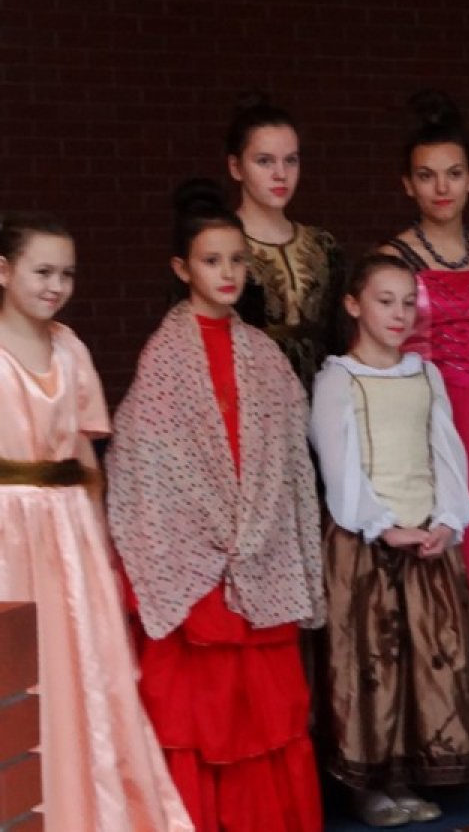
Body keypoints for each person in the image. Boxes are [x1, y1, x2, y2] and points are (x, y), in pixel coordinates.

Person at [106, 179, 325, 832]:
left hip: (260, 557)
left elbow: (289, 465)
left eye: (236, 260)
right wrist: (207, 535)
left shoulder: (265, 356)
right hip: (194, 568)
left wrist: (261, 534)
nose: (227, 273)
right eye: (211, 261)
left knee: (268, 712)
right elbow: (144, 469)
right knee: (200, 714)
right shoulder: (162, 359)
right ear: (182, 269)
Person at [0, 212, 192, 832]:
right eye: (42, 271)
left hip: (68, 531)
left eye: (67, 274)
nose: (56, 286)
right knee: (19, 667)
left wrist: (98, 539)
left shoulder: (71, 347)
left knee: (79, 667)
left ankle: (88, 810)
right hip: (6, 533)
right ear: (3, 271)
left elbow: (85, 455)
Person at [309, 254, 469, 826]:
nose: (399, 314)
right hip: (367, 544)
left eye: (408, 303)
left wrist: (447, 519)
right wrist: (383, 524)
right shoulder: (339, 379)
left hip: (425, 540)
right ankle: (371, 786)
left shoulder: (424, 374)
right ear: (353, 305)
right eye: (385, 301)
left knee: (425, 663)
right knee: (374, 666)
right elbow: (340, 465)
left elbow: (445, 451)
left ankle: (408, 774)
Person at [379, 90, 469, 622]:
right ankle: (437, 665)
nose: (442, 188)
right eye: (427, 176)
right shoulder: (391, 259)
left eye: (454, 174)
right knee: (429, 541)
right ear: (407, 184)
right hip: (423, 416)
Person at [226, 92, 344, 391]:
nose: (281, 174)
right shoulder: (219, 247)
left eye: (291, 160)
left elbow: (340, 334)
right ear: (236, 167)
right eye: (264, 161)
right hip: (249, 397)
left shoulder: (323, 245)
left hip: (322, 396)